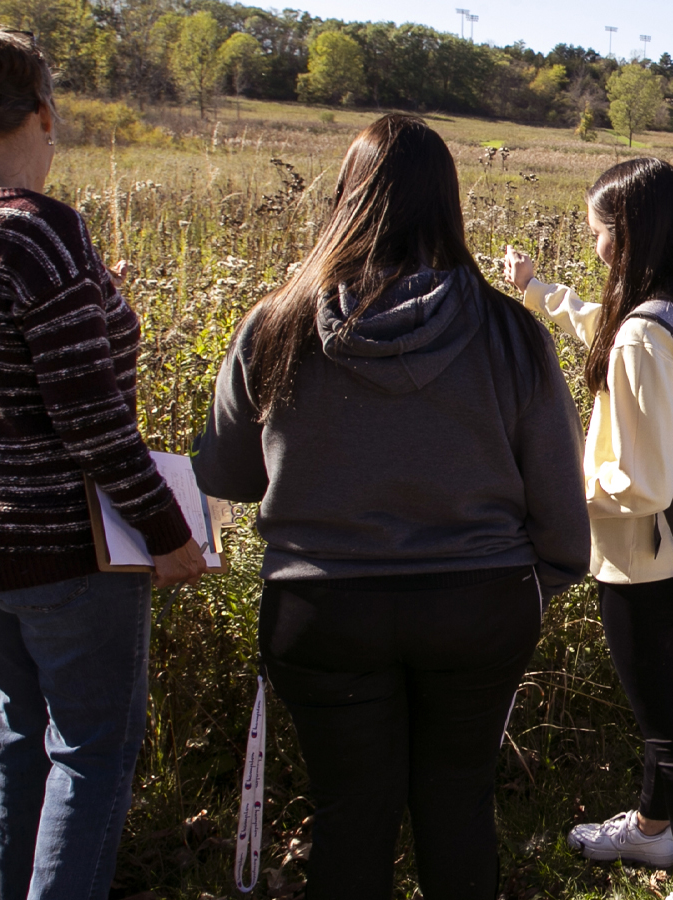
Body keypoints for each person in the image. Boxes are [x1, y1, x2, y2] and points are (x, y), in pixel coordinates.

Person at [194, 113, 590, 899]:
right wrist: (529, 585)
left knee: (349, 815)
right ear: (449, 205)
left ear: (345, 195)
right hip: (478, 605)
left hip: (321, 607)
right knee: (457, 806)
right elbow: (562, 516)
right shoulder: (510, 333)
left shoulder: (273, 326)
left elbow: (228, 478)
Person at [0, 25, 205, 900]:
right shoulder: (38, 228)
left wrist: (91, 292)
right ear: (45, 115)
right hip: (50, 542)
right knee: (94, 752)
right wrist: (170, 535)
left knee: (24, 730)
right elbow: (92, 423)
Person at [501, 157, 673, 900]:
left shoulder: (644, 335)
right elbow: (604, 333)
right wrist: (538, 291)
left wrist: (549, 493)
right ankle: (649, 830)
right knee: (666, 706)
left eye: (598, 230)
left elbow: (640, 481)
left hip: (641, 559)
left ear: (630, 233)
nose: (594, 243)